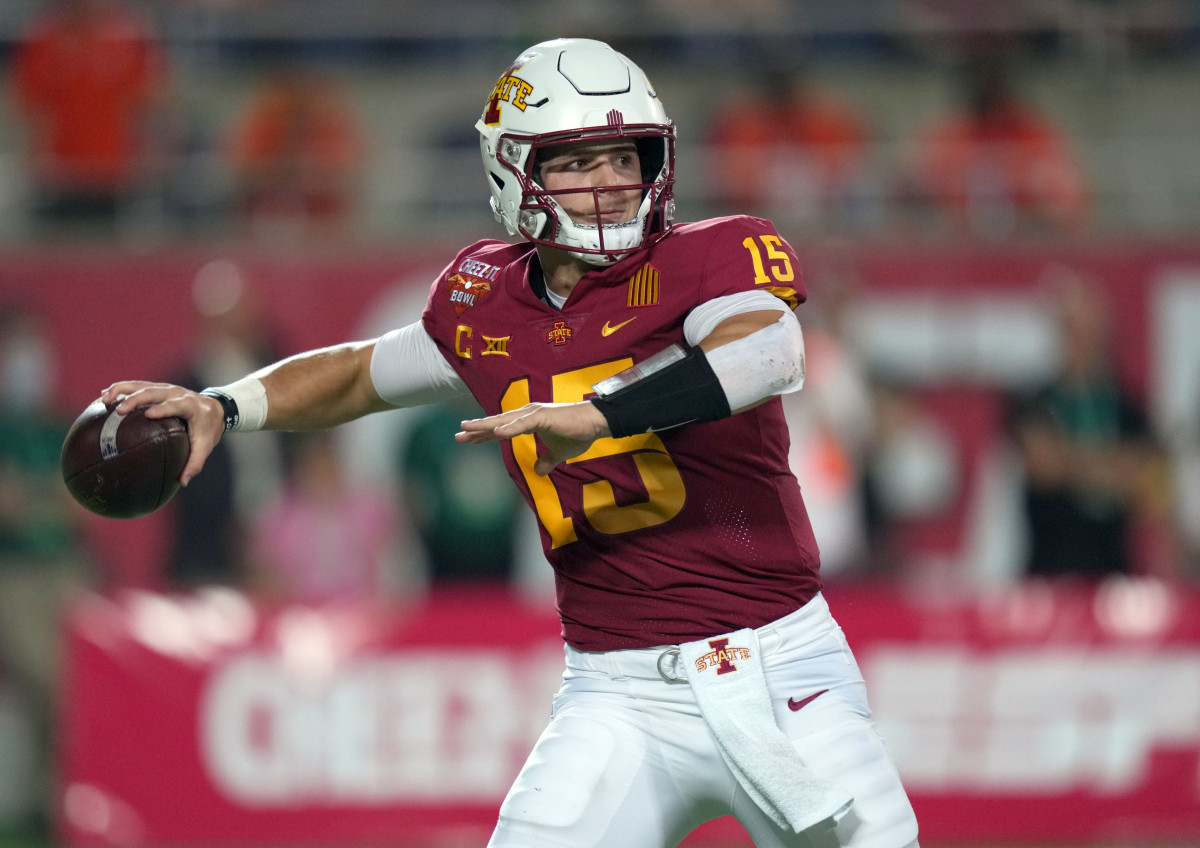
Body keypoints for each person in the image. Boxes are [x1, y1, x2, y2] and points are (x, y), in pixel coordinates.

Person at [100, 39, 919, 848]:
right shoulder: (483, 301)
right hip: (617, 691)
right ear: (513, 171)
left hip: (777, 669)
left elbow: (769, 352)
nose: (610, 182)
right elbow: (360, 374)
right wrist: (224, 405)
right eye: (577, 161)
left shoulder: (710, 256)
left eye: (624, 156)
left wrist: (604, 414)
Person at [1007, 268, 1157, 579]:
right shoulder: (1032, 402)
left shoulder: (1129, 408)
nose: (1080, 342)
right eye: (1071, 330)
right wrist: (1113, 465)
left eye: (1088, 331)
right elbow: (1043, 467)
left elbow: (1147, 486)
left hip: (1113, 575)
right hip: (1048, 575)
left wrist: (1069, 461)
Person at [9, 0, 168, 234]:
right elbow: (28, 106)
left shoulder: (129, 40)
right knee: (57, 252)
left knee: (105, 251)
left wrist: (149, 156)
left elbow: (150, 105)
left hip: (112, 171)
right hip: (60, 172)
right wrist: (34, 158)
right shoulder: (43, 41)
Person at [901, 56, 1089, 239]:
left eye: (993, 83)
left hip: (1025, 241)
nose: (987, 89)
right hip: (958, 241)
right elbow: (911, 185)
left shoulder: (1035, 134)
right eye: (980, 80)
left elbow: (1067, 202)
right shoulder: (947, 133)